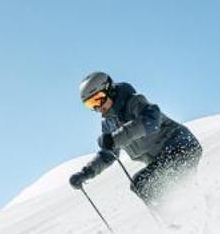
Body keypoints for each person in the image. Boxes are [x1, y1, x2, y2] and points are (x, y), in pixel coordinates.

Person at [68, 70, 202, 207]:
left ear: (109, 90)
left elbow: (151, 121)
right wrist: (85, 174)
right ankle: (186, 216)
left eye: (98, 99)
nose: (98, 107)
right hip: (162, 159)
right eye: (91, 104)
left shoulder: (134, 102)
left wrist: (115, 138)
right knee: (149, 187)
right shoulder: (108, 123)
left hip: (181, 147)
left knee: (143, 184)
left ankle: (177, 218)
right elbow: (108, 154)